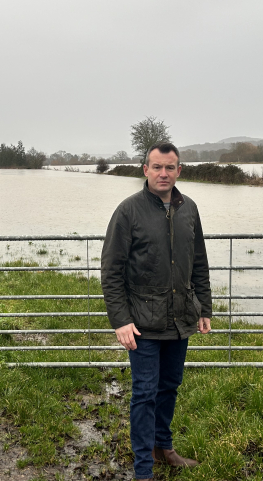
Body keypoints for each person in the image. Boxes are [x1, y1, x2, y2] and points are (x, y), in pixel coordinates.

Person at [101, 142, 212, 481]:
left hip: (180, 319)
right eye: (157, 167)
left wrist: (204, 307)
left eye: (170, 167)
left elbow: (199, 263)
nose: (163, 173)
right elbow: (111, 270)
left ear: (179, 170)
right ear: (144, 169)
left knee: (170, 386)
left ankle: (164, 448)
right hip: (142, 324)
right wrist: (121, 320)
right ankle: (143, 469)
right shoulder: (128, 211)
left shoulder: (189, 209)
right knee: (145, 393)